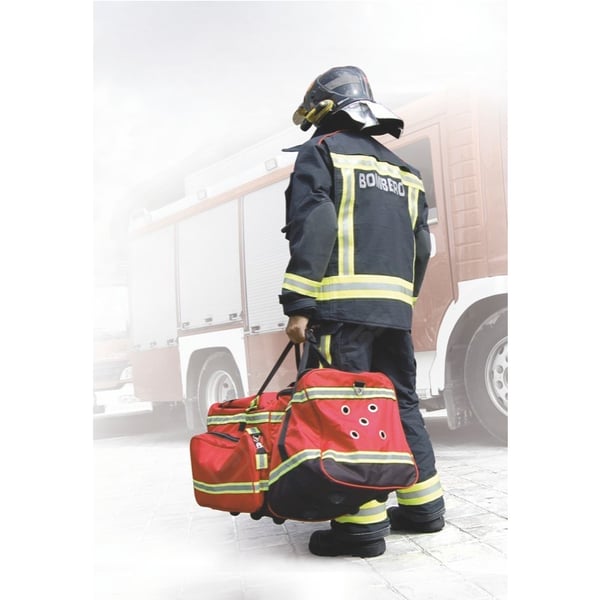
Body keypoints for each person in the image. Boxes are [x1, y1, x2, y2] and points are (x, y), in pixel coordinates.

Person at [279, 66, 445, 558]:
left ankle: (360, 526)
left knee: (346, 410)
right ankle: (424, 507)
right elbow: (423, 246)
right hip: (393, 312)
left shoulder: (322, 152)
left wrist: (299, 303)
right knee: (401, 404)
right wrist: (402, 301)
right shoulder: (404, 170)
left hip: (341, 310)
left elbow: (316, 223)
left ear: (324, 110)